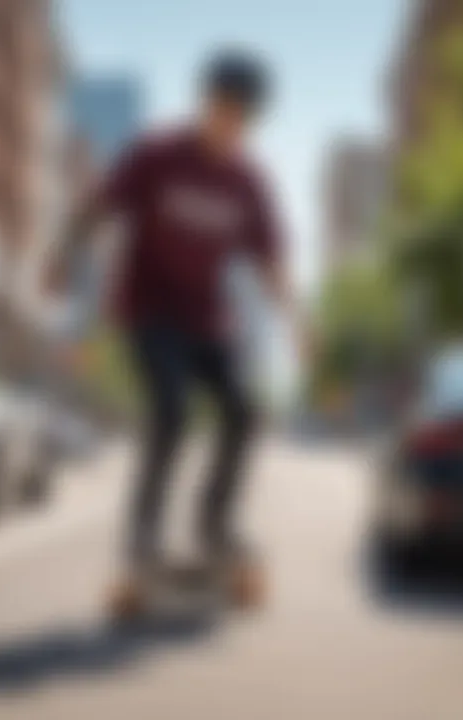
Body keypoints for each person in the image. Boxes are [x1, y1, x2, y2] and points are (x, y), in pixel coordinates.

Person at [61, 49, 312, 609]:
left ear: (252, 121)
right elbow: (100, 205)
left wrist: (298, 324)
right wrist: (61, 253)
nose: (229, 124)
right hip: (149, 311)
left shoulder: (249, 181)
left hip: (206, 319)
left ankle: (214, 526)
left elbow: (272, 262)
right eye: (222, 110)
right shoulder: (157, 154)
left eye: (241, 117)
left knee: (244, 412)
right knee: (171, 412)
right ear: (205, 103)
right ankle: (143, 539)